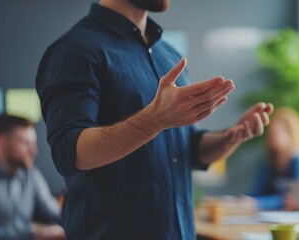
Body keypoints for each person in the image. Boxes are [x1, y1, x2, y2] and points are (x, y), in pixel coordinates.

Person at [35, 0, 274, 239]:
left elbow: (188, 149)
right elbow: (69, 152)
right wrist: (155, 120)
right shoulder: (74, 49)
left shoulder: (169, 56)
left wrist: (232, 136)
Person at [0, 114, 64, 240]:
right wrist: (33, 233)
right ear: (2, 141)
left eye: (33, 143)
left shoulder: (31, 175)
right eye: (25, 142)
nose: (33, 151)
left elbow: (54, 213)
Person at [242, 107, 299, 210]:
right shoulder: (271, 163)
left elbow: (298, 199)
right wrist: (251, 201)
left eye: (277, 132)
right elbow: (255, 194)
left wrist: (258, 203)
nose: (273, 137)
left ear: (291, 134)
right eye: (271, 133)